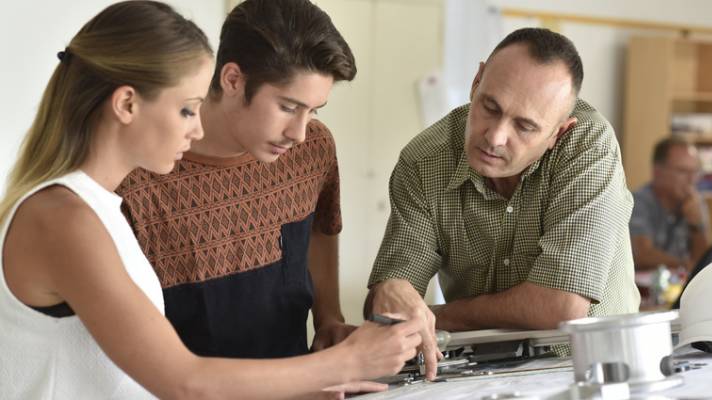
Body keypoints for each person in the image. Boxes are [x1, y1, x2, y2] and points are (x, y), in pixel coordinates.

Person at [0, 2, 421, 399]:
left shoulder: (91, 208)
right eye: (187, 110)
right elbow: (185, 383)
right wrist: (347, 362)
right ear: (127, 103)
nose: (197, 130)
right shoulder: (64, 218)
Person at [364, 27, 640, 378]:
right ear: (477, 81)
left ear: (559, 133)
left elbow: (561, 307)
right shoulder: (423, 162)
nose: (494, 137)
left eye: (524, 126)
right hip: (480, 373)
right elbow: (387, 306)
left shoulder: (588, 146)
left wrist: (434, 316)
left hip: (595, 367)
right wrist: (392, 292)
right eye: (489, 107)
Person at [117, 0, 354, 359]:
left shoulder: (313, 150)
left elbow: (321, 226)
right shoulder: (141, 175)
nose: (299, 133)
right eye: (288, 107)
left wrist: (329, 317)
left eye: (313, 110)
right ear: (232, 80)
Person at [629, 137, 711, 273]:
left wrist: (697, 225)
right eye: (683, 171)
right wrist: (684, 265)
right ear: (657, 171)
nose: (691, 180)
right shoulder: (637, 201)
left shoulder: (695, 202)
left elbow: (705, 260)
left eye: (695, 172)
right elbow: (642, 254)